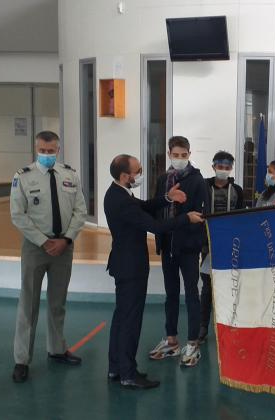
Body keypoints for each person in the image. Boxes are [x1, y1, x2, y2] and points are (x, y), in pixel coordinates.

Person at [104, 154, 203, 389]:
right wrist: (185, 219)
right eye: (137, 171)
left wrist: (167, 198)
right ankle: (128, 374)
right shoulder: (121, 201)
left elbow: (146, 206)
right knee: (130, 320)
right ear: (124, 176)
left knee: (121, 317)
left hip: (124, 264)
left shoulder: (118, 193)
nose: (140, 174)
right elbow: (155, 226)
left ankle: (116, 367)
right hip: (131, 268)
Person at [9, 131, 88, 383]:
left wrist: (66, 240)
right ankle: (22, 359)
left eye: (50, 151)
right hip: (35, 247)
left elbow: (80, 210)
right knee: (28, 304)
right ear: (36, 149)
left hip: (63, 247)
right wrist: (44, 241)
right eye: (42, 151)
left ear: (58, 149)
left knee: (58, 302)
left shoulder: (70, 175)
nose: (46, 155)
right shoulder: (23, 177)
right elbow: (17, 215)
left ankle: (56, 349)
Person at [147, 136, 208, 368]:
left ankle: (193, 342)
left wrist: (195, 239)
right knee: (170, 293)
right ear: (169, 154)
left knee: (191, 292)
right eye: (176, 155)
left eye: (184, 155)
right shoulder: (163, 179)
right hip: (168, 245)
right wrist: (160, 238)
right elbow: (157, 207)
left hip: (189, 247)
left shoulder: (198, 181)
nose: (180, 159)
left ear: (189, 154)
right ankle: (171, 339)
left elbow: (203, 216)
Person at [198, 151, 245, 342]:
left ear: (231, 168)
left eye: (227, 168)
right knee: (208, 286)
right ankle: (203, 326)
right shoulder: (202, 187)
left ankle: (227, 325)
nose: (223, 171)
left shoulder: (237, 190)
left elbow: (241, 217)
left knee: (229, 286)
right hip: (207, 245)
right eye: (220, 167)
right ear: (213, 166)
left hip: (230, 245)